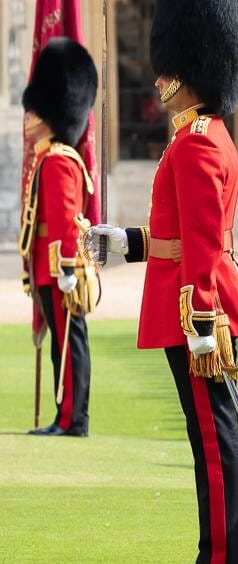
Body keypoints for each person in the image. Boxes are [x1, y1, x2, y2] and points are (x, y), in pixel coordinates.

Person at [86, 0, 238, 564]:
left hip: (195, 308)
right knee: (207, 429)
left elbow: (204, 244)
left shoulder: (198, 143)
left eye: (169, 68)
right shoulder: (203, 137)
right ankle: (218, 553)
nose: (160, 79)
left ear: (194, 72)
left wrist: (202, 321)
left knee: (212, 432)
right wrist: (128, 244)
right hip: (193, 301)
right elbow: (181, 236)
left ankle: (223, 560)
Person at [20, 37, 97, 438]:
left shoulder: (57, 162)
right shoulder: (51, 158)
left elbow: (66, 220)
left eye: (34, 113)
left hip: (59, 268)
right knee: (62, 345)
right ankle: (65, 415)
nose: (29, 120)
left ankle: (72, 419)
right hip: (50, 267)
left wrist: (67, 267)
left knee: (69, 344)